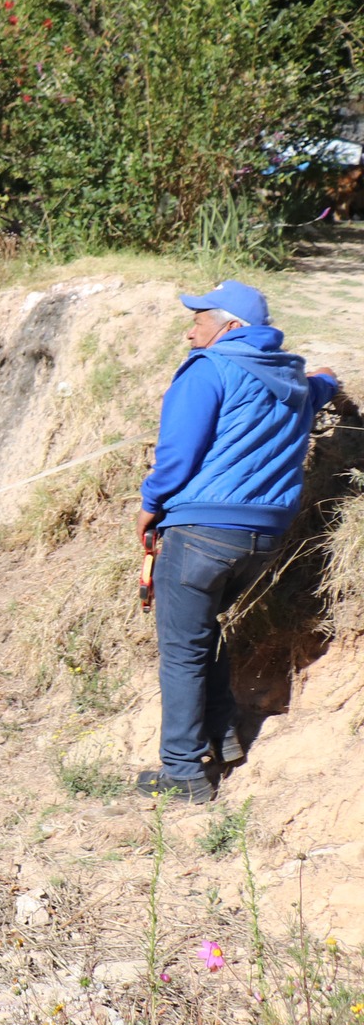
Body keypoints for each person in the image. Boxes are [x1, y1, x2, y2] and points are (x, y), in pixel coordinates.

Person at [136, 280, 341, 803]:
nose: (190, 331)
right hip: (266, 537)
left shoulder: (207, 371)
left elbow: (177, 454)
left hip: (202, 530)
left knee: (182, 648)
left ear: (233, 327)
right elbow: (321, 387)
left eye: (199, 321)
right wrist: (329, 377)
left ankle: (183, 774)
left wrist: (149, 504)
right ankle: (224, 737)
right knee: (202, 630)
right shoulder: (291, 376)